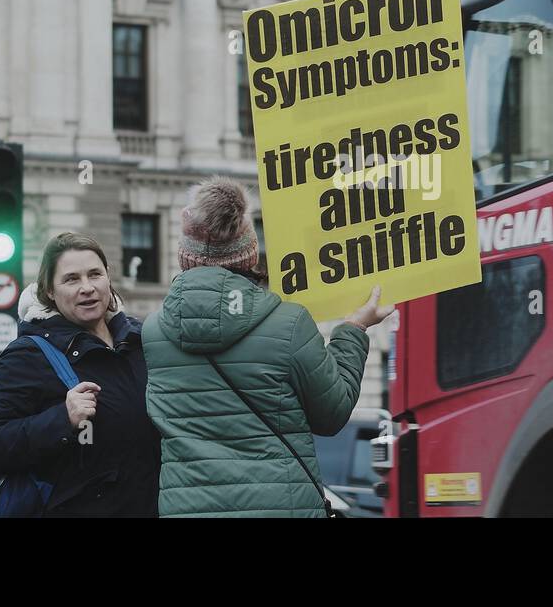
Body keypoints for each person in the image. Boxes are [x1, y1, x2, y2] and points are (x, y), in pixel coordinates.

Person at [143, 177, 394, 517]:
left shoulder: (154, 333)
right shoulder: (288, 323)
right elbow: (332, 415)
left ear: (185, 256)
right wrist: (353, 329)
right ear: (249, 254)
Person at [0, 232, 160, 517]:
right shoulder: (28, 355)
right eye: (71, 279)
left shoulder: (140, 342)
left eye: (94, 274)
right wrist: (62, 419)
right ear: (49, 290)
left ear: (108, 278)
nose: (87, 288)